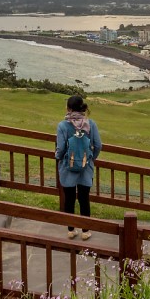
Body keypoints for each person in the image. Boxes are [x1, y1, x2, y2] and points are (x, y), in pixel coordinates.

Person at [55, 94, 101, 240]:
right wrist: (91, 158)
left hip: (67, 167)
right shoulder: (90, 124)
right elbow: (98, 145)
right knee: (83, 198)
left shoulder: (63, 125)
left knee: (69, 198)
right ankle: (85, 231)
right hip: (85, 167)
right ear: (82, 107)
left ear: (68, 108)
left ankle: (71, 229)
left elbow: (61, 148)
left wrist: (58, 157)